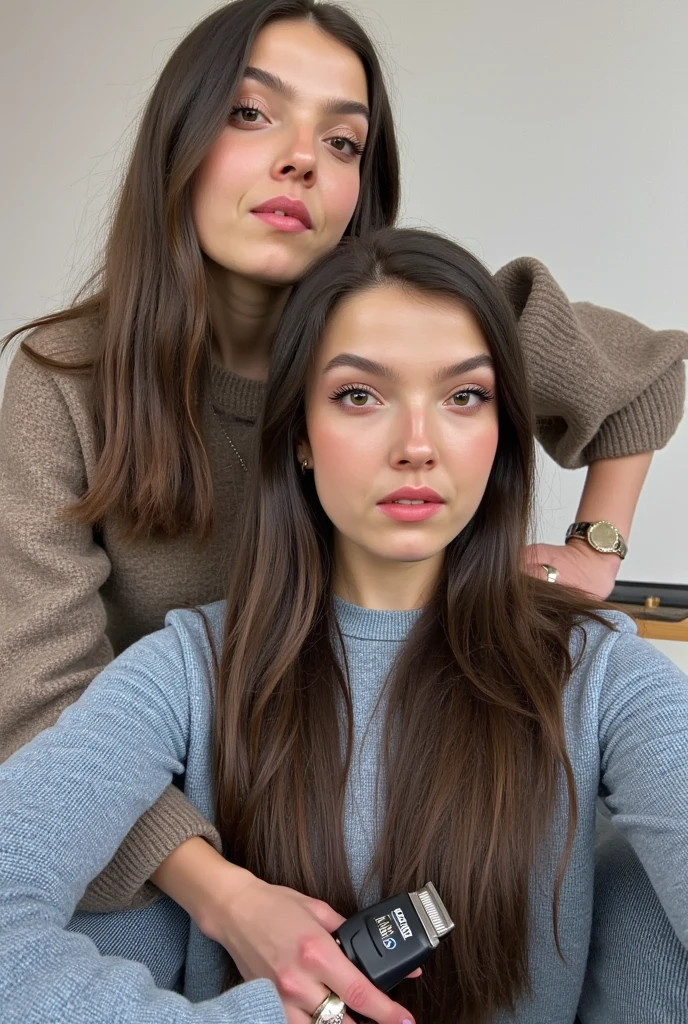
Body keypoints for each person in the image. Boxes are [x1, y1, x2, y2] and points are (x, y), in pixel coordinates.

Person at [1, 0, 686, 924]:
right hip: (164, 838)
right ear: (180, 140)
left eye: (344, 141)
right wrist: (231, 899)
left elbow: (649, 379)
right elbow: (39, 711)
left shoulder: (415, 325)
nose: (300, 159)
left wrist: (594, 544)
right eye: (252, 113)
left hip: (407, 808)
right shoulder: (66, 385)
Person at [1, 228, 686, 1024]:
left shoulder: (599, 674)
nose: (418, 447)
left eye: (464, 397)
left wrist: (592, 546)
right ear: (298, 434)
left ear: (500, 434)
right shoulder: (186, 670)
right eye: (360, 395)